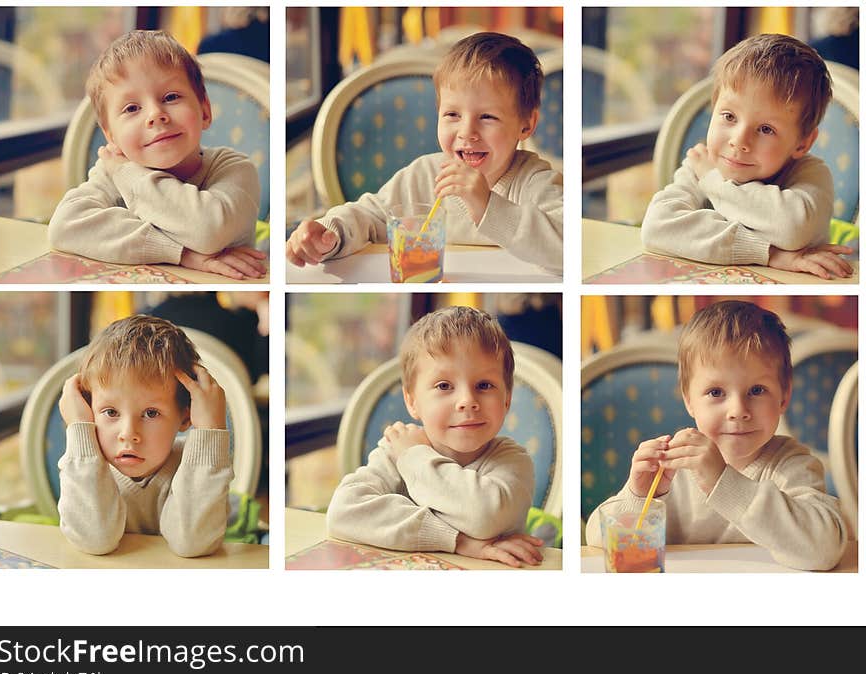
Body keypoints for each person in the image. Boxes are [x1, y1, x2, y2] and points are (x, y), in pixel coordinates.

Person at [585, 300, 847, 571]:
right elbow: (595, 538)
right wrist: (638, 495)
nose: (738, 411)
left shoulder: (792, 465)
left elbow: (824, 550)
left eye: (757, 390)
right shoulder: (671, 468)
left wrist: (722, 481)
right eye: (716, 392)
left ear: (784, 396)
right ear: (689, 400)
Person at [286, 32, 563, 275]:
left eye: (488, 117)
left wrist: (486, 204)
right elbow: (370, 217)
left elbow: (567, 247)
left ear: (526, 124)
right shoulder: (423, 175)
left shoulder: (535, 182)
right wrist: (330, 234)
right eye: (452, 114)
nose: (467, 132)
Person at [326, 305, 544, 567]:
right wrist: (461, 542)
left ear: (506, 399)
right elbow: (343, 513)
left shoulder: (513, 461)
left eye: (484, 385)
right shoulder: (397, 450)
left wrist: (416, 457)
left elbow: (484, 515)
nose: (467, 401)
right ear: (412, 401)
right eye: (444, 386)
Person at [48, 30, 266, 281]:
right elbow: (64, 227)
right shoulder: (113, 172)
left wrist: (127, 174)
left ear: (205, 111)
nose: (155, 114)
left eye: (170, 97)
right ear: (112, 137)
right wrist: (183, 254)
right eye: (132, 108)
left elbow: (208, 231)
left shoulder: (235, 168)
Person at [641, 34, 853, 280]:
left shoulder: (810, 173)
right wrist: (772, 254)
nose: (739, 141)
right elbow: (657, 228)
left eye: (766, 129)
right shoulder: (702, 163)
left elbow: (792, 228)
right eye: (729, 116)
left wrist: (713, 182)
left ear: (803, 143)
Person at [57, 314, 233, 557]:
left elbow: (193, 543)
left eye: (151, 413)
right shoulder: (87, 468)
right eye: (110, 412)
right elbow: (94, 541)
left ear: (185, 416)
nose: (128, 434)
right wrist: (78, 427)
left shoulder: (199, 468)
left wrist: (210, 429)